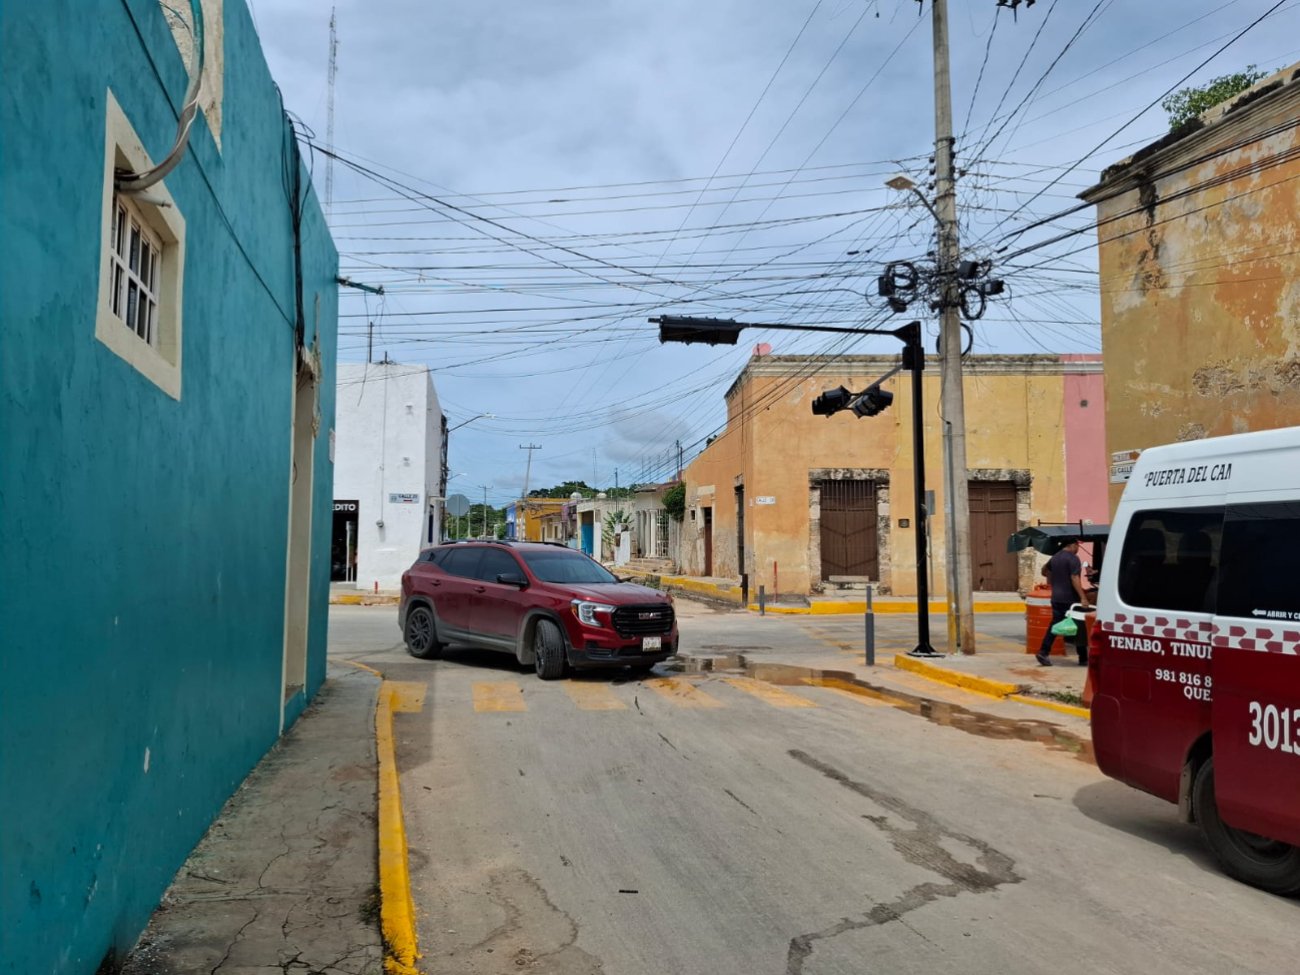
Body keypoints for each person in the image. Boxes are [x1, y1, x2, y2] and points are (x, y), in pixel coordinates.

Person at [1036, 538, 1090, 666]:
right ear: (1072, 545)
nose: (1078, 549)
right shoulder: (1073, 559)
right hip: (1070, 599)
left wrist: (1054, 578)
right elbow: (1074, 577)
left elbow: (1044, 570)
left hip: (1056, 598)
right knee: (1079, 626)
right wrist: (1083, 597)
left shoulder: (1055, 557)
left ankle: (1043, 652)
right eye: (1077, 546)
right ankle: (1082, 658)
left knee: (1054, 625)